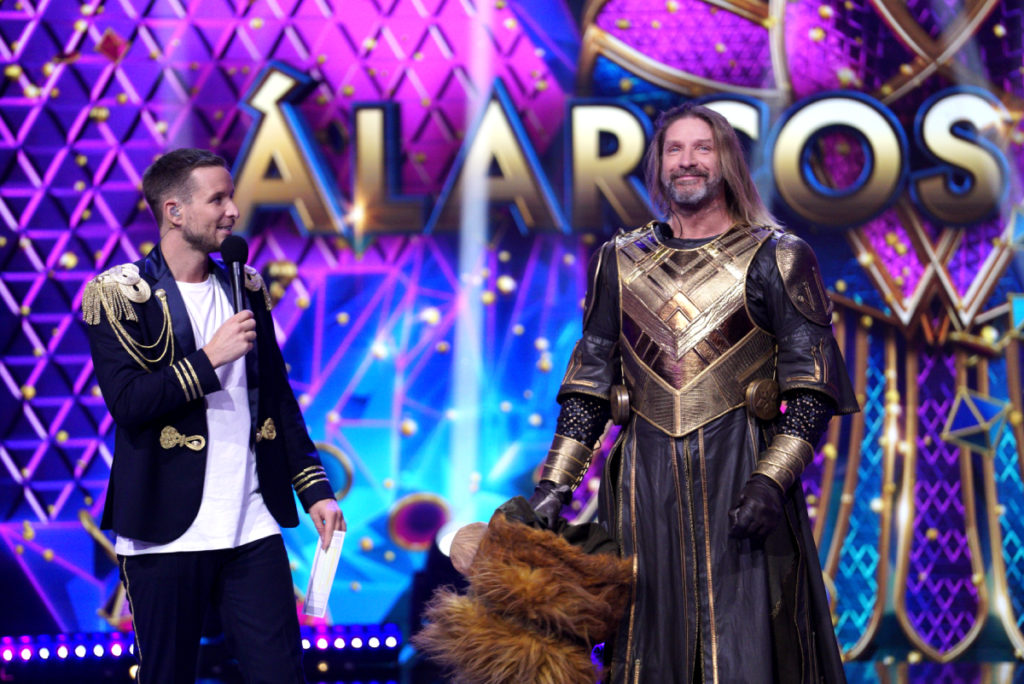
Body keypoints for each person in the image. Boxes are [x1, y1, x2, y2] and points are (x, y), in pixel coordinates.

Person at [529, 104, 859, 683]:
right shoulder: (618, 261)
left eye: (702, 148)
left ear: (726, 160)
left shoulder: (778, 255)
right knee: (647, 650)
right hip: (643, 489)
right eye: (675, 149)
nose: (687, 161)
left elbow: (813, 389)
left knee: (747, 651)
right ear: (658, 165)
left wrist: (770, 481)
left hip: (742, 479)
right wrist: (554, 486)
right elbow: (589, 386)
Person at [83, 148, 345, 684]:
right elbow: (128, 403)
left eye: (232, 197)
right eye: (217, 199)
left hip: (251, 525)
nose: (233, 211)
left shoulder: (244, 285)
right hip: (164, 533)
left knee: (281, 675)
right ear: (174, 211)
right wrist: (209, 358)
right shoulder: (117, 295)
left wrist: (314, 489)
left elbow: (275, 397)